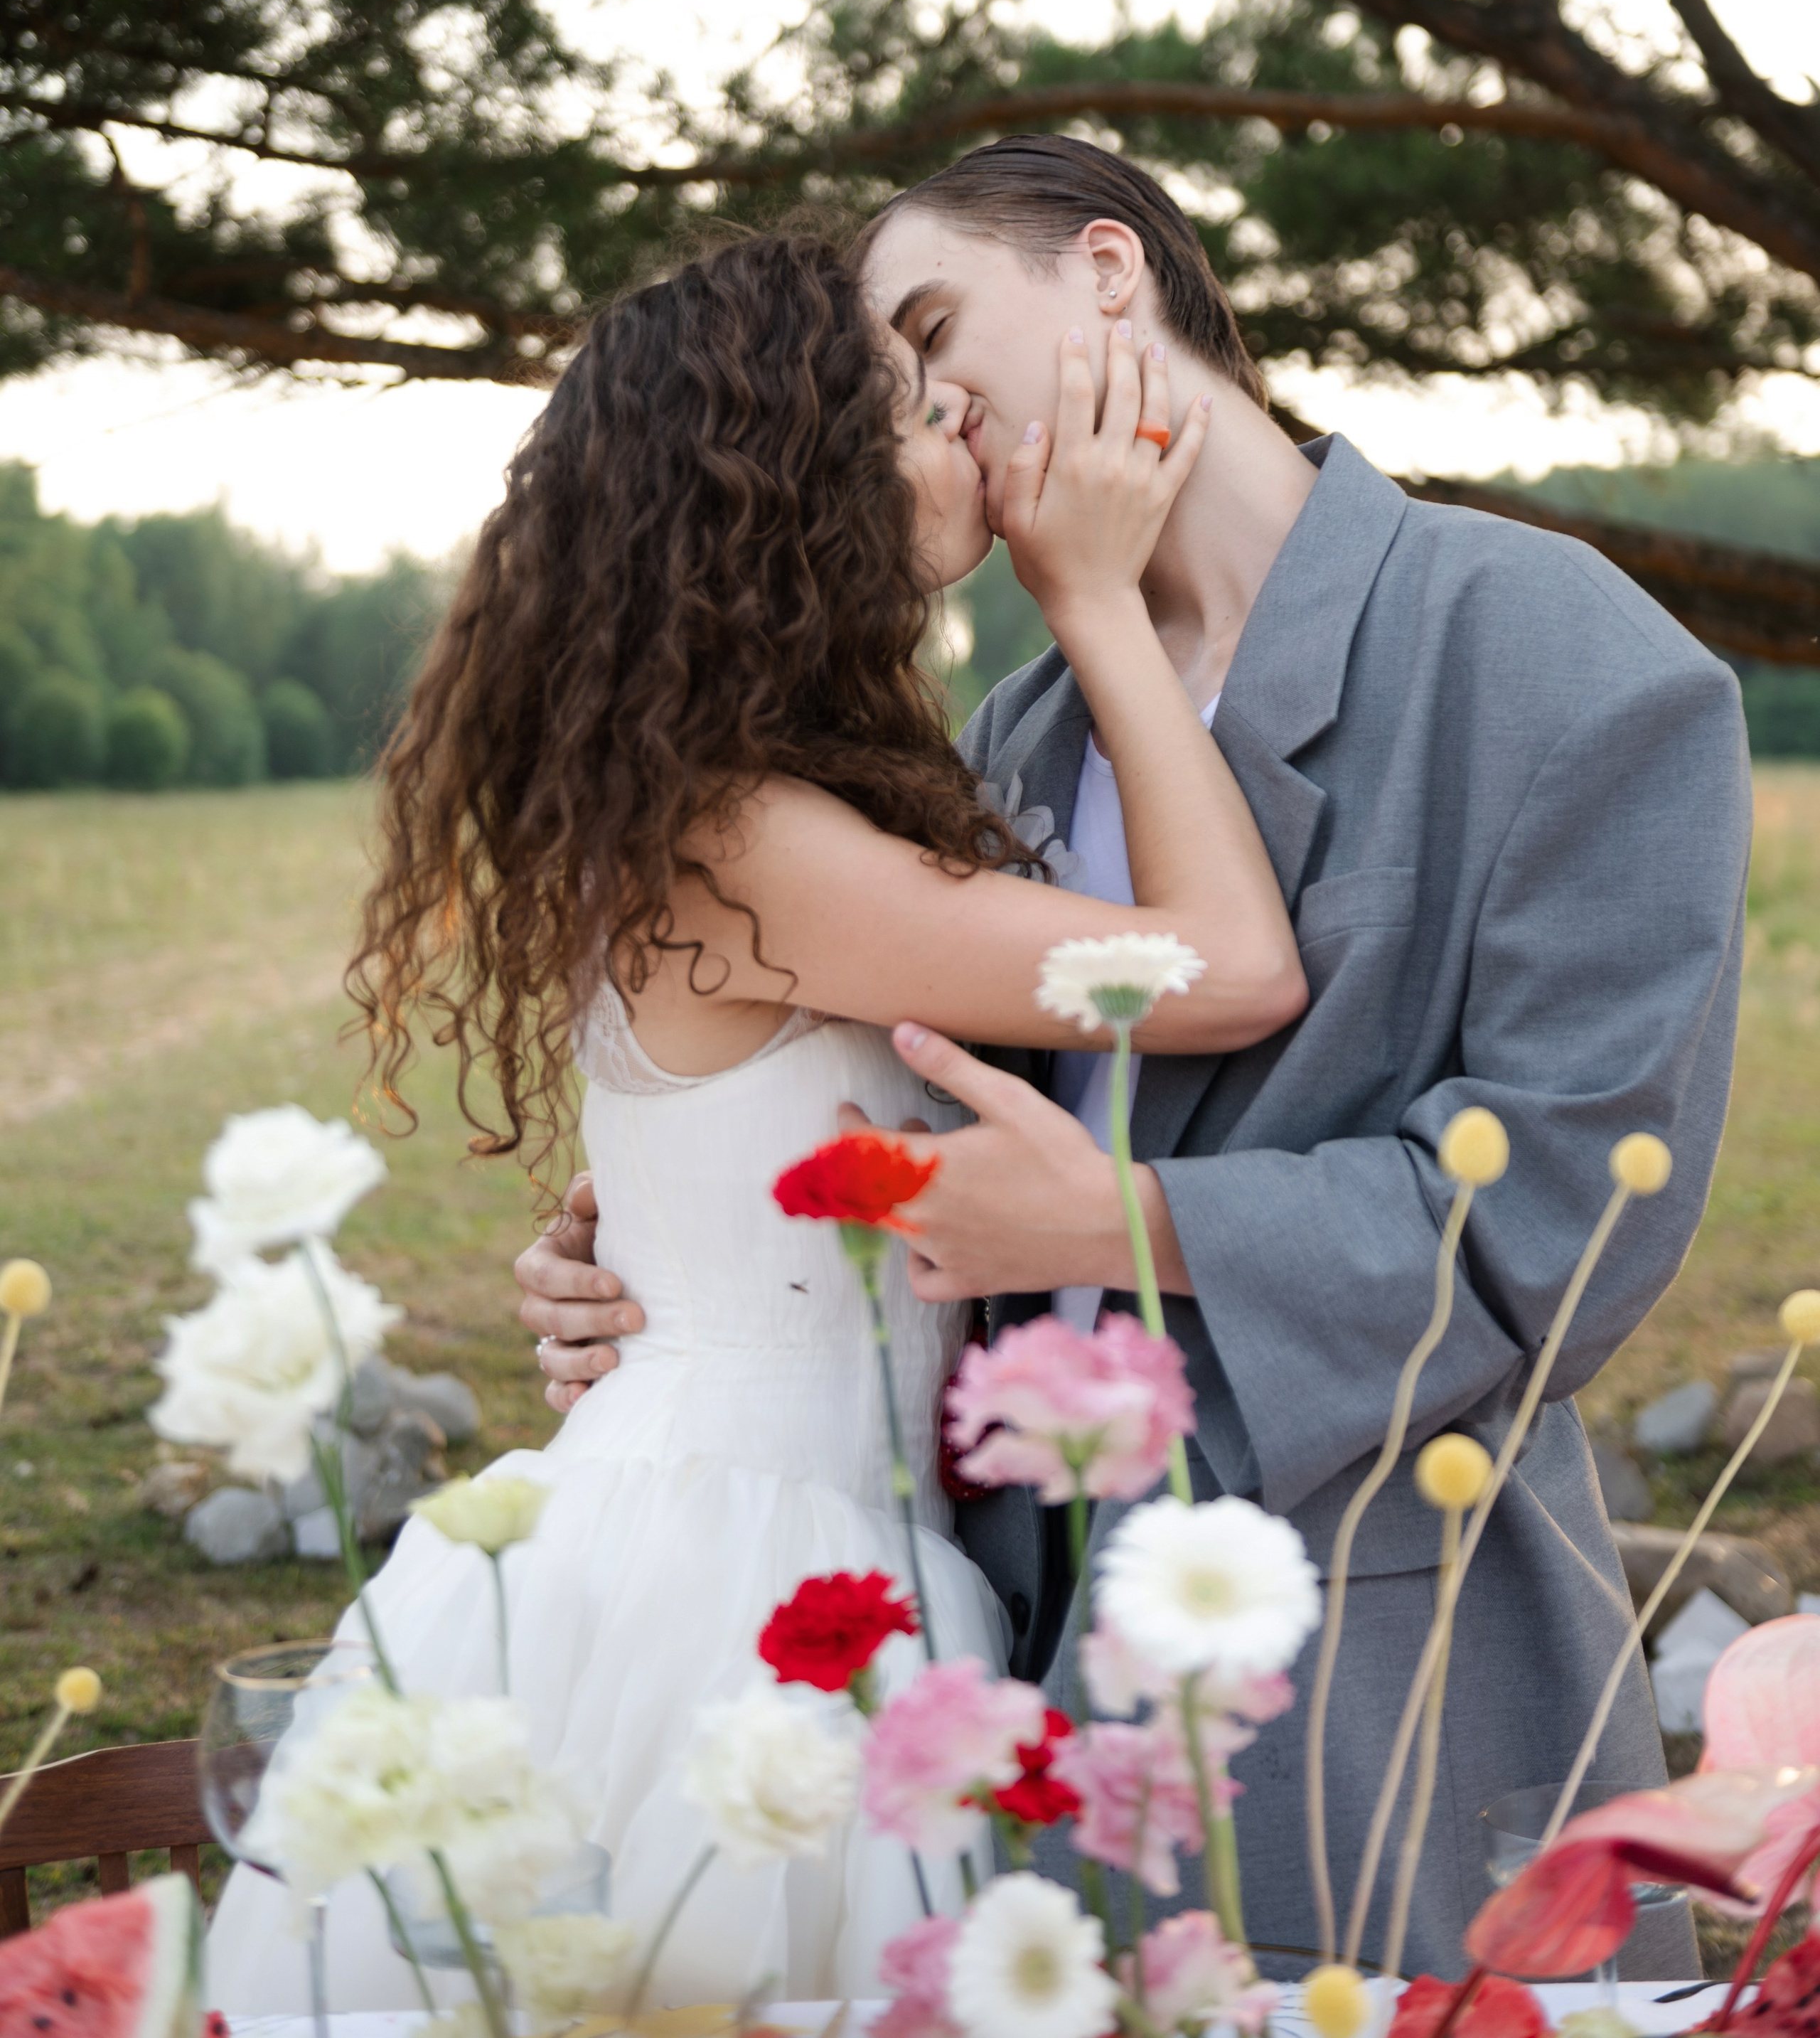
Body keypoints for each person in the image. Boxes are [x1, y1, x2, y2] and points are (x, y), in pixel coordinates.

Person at [520, 135, 1753, 1979]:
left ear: (1110, 274)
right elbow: (909, 1150)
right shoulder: (1003, 739)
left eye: (938, 333)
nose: (921, 412)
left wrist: (1124, 1222)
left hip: (1367, 1689)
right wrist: (663, 1261)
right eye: (886, 386)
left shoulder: (1554, 656)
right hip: (987, 1689)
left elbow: (1559, 1228)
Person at [205, 229, 1305, 2015]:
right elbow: (1235, 970)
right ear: (794, 483)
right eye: (929, 415)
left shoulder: (738, 811)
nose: (978, 442)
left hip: (741, 1499)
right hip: (736, 1571)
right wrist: (1096, 599)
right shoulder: (751, 843)